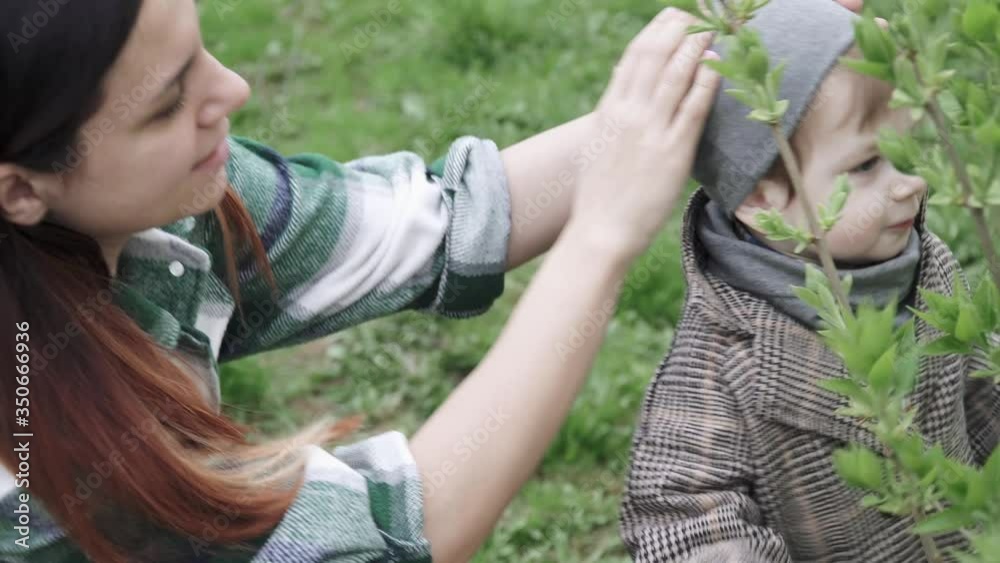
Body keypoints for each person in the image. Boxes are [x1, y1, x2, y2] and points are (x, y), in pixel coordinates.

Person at [0, 1, 722, 561]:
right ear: (21, 190)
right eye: (165, 105)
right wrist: (599, 242)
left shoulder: (164, 209)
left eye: (201, 50)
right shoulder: (26, 482)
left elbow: (439, 221)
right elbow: (395, 533)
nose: (236, 87)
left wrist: (734, 57)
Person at [618, 0, 999, 561]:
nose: (911, 182)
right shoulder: (724, 362)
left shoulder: (923, 265)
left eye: (909, 148)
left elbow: (977, 391)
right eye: (868, 165)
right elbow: (682, 518)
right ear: (761, 197)